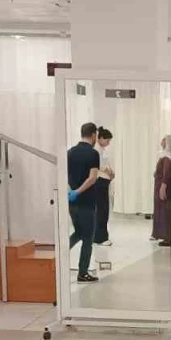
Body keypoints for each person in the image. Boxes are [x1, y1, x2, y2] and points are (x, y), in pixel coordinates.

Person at [66, 121, 101, 282]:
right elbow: (92, 178)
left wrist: (71, 192)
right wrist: (78, 192)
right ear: (93, 135)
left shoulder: (70, 152)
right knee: (87, 238)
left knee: (79, 232)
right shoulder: (93, 154)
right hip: (87, 202)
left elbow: (66, 175)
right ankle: (83, 273)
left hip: (72, 203)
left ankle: (59, 255)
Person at [93, 127, 115, 247]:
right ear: (101, 138)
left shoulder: (102, 149)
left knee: (104, 210)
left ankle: (100, 236)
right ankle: (100, 238)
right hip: (100, 181)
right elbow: (99, 165)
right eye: (107, 140)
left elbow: (107, 164)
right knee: (102, 210)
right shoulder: (96, 149)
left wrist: (111, 172)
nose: (108, 143)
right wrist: (109, 172)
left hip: (104, 181)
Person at [152, 135, 171, 247]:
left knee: (164, 211)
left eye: (164, 140)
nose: (161, 141)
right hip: (159, 185)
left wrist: (163, 186)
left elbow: (166, 173)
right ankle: (162, 235)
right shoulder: (164, 155)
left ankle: (167, 237)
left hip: (162, 187)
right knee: (161, 210)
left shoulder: (167, 157)